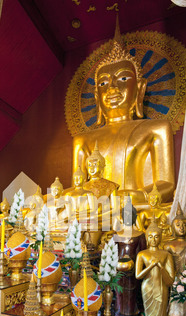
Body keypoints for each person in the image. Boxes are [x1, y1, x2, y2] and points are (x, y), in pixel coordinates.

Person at [72, 17, 175, 204]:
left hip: (134, 209)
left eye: (123, 79)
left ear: (140, 89)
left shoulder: (157, 128)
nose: (112, 88)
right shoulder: (82, 140)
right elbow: (78, 187)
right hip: (95, 212)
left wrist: (128, 197)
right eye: (103, 83)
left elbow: (166, 184)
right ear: (96, 96)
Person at [135, 218, 175, 316]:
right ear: (146, 238)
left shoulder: (166, 255)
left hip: (162, 288)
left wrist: (162, 267)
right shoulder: (142, 254)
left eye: (156, 236)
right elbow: (138, 275)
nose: (153, 239)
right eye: (150, 236)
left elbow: (170, 280)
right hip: (147, 288)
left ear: (161, 237)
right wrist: (151, 266)